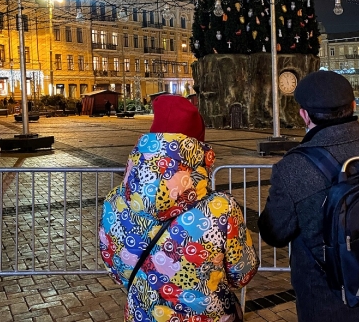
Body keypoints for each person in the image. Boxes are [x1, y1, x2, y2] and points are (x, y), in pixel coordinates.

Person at [258, 70, 359, 322]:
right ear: (353, 106)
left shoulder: (292, 167)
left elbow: (276, 232)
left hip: (325, 301)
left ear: (304, 115)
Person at [100, 95, 258, 322]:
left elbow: (115, 266)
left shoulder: (113, 203)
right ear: (199, 153)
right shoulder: (221, 209)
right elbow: (242, 274)